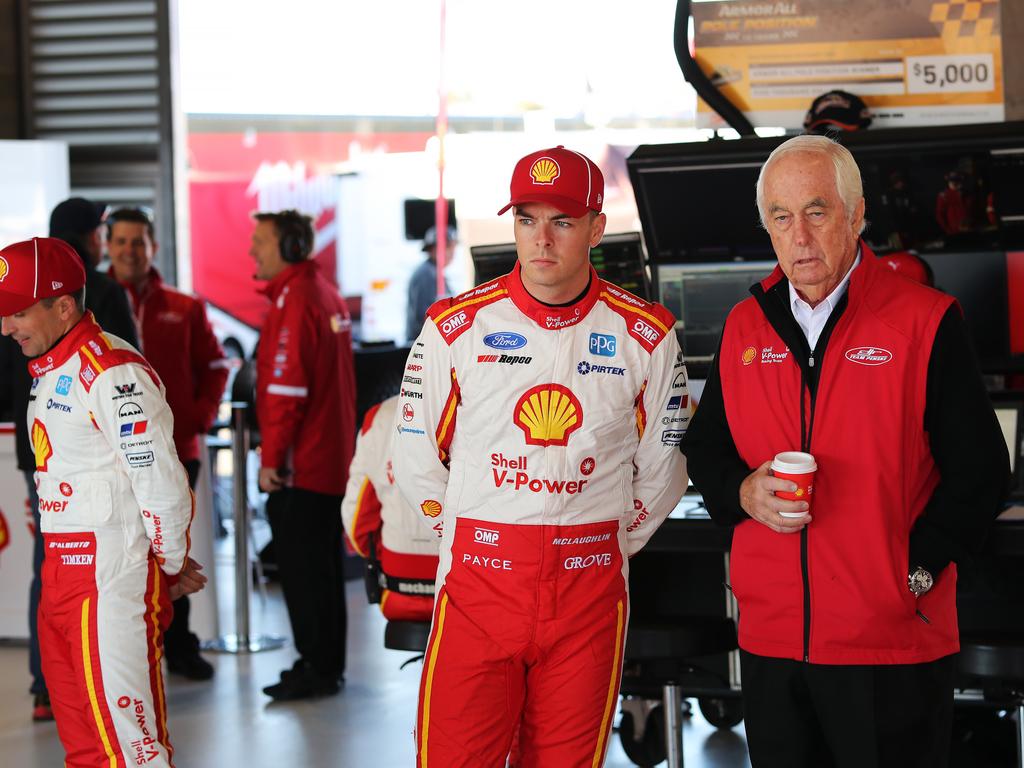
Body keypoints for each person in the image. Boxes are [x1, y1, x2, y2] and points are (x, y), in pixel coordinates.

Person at [680, 134, 1009, 768]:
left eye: (817, 211)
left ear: (857, 215)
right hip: (773, 645)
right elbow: (709, 452)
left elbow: (982, 473)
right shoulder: (743, 327)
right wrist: (741, 491)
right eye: (781, 216)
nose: (799, 235)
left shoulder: (925, 321)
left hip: (888, 648)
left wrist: (910, 577)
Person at [393, 146, 689, 766]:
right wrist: (464, 539)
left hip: (589, 593)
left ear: (597, 228)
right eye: (527, 219)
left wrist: (600, 539)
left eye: (562, 221)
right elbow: (416, 452)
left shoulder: (648, 336)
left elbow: (663, 473)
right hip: (478, 588)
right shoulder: (455, 327)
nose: (541, 239)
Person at [0, 236, 206, 766]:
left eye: (18, 313)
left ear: (63, 305)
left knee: (132, 750)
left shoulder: (113, 372)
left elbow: (160, 482)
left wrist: (169, 565)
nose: (6, 328)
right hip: (60, 574)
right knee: (86, 749)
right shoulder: (49, 369)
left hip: (107, 578)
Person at [0, 197, 140, 722]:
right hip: (65, 462)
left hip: (42, 460)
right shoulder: (99, 294)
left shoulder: (79, 307)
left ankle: (49, 685)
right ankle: (69, 679)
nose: (11, 327)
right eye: (103, 231)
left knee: (53, 566)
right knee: (61, 570)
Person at [107, 206, 229, 680]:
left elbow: (216, 367)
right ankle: (131, 647)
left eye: (138, 242)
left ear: (153, 247)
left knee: (173, 550)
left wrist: (196, 418)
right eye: (121, 242)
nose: (130, 251)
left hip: (179, 453)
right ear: (108, 246)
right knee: (124, 551)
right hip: (116, 460)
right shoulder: (90, 303)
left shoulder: (184, 306)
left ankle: (179, 646)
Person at [249, 209, 356, 700]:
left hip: (303, 466)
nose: (253, 251)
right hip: (327, 460)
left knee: (305, 573)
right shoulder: (323, 292)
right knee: (323, 572)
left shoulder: (295, 301)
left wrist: (271, 460)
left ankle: (316, 666)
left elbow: (285, 390)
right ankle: (324, 663)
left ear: (289, 247)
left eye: (261, 243)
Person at [341, 395, 439, 622]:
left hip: (396, 589)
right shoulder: (481, 406)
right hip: (464, 598)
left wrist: (378, 559)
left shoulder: (381, 415)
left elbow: (358, 516)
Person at [406, 225, 455, 342]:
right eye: (448, 247)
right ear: (432, 250)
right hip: (424, 346)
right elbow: (424, 317)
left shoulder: (433, 272)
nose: (452, 252)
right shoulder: (426, 275)